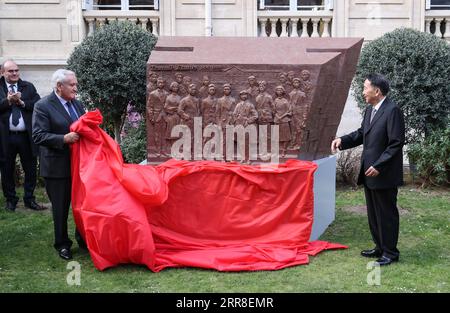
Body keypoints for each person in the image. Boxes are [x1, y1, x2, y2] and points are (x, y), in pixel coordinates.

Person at [331, 74, 405, 266]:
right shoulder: (370, 110)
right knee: (373, 213)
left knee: (386, 213)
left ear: (377, 91)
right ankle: (380, 247)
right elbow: (362, 134)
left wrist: (379, 165)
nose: (363, 91)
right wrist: (343, 141)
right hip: (369, 172)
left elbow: (395, 144)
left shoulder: (392, 110)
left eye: (365, 88)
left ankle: (390, 252)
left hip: (383, 172)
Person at [32, 69, 86, 260]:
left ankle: (83, 240)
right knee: (61, 208)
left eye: (76, 84)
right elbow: (38, 135)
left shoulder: (77, 104)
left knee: (81, 205)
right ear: (59, 86)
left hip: (79, 166)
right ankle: (62, 244)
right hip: (56, 168)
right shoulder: (43, 106)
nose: (75, 88)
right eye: (72, 85)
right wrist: (63, 138)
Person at [0, 59, 44, 212]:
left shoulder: (28, 86)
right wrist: (8, 101)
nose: (14, 73)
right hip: (6, 137)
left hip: (26, 136)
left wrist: (22, 102)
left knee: (30, 168)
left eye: (16, 70)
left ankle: (29, 199)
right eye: (10, 71)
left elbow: (38, 104)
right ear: (2, 72)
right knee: (7, 169)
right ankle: (11, 200)